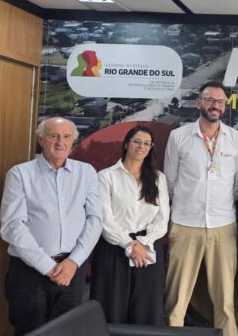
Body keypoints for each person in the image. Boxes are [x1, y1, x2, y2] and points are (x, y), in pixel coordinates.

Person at [0, 117, 102, 335]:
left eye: (66, 137)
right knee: (30, 331)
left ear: (73, 141)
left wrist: (73, 262)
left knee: (67, 331)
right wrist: (48, 267)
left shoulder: (87, 172)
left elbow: (95, 220)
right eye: (53, 136)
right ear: (41, 139)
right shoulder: (20, 174)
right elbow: (12, 226)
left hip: (72, 270)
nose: (60, 142)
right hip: (29, 273)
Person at [164, 81, 238, 336]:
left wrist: (220, 204)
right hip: (185, 225)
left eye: (220, 101)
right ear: (198, 102)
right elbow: (170, 182)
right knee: (176, 301)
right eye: (210, 100)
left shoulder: (236, 139)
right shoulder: (179, 136)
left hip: (223, 227)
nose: (215, 105)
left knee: (225, 303)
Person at [90, 125, 169, 325]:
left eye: (147, 144)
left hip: (148, 250)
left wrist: (143, 244)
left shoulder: (158, 178)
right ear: (126, 144)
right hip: (113, 249)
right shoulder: (106, 176)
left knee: (146, 311)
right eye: (137, 142)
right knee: (111, 309)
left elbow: (162, 219)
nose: (141, 147)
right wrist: (130, 245)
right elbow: (105, 219)